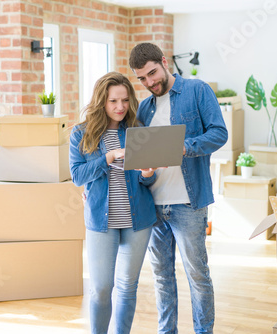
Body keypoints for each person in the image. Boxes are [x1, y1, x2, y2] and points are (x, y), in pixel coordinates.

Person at [128, 43, 228, 334]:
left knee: (198, 275)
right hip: (153, 206)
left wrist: (184, 147)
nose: (149, 83)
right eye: (142, 79)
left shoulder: (197, 91)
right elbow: (143, 168)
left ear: (163, 62)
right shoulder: (144, 109)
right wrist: (145, 174)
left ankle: (203, 331)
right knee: (161, 277)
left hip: (188, 203)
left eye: (152, 73)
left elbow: (219, 133)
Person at [69, 71, 157, 334]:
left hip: (137, 219)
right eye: (113, 101)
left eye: (125, 100)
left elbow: (147, 182)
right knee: (101, 288)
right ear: (101, 102)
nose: (120, 107)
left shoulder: (138, 132)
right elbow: (77, 176)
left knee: (128, 286)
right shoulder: (81, 134)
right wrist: (108, 157)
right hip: (101, 221)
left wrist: (147, 175)